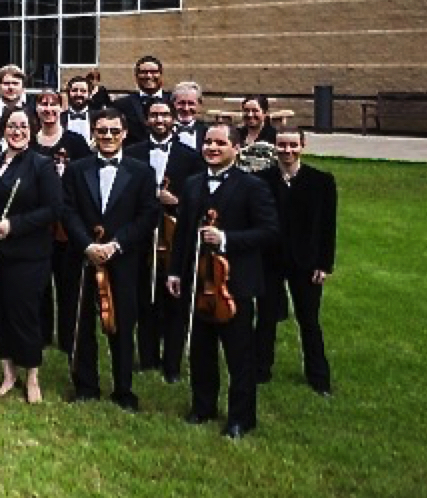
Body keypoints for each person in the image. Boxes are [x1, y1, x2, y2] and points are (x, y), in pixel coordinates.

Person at [170, 124, 279, 439]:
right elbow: (184, 233)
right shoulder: (192, 185)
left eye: (220, 143)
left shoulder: (252, 186)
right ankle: (203, 406)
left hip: (235, 284)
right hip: (198, 281)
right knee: (202, 349)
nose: (212, 148)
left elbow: (269, 231)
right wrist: (176, 271)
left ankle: (241, 418)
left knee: (239, 354)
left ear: (235, 148)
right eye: (208, 142)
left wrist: (226, 239)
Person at [0, 106, 65, 404]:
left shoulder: (41, 166)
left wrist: (15, 225)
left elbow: (53, 209)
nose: (17, 131)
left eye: (23, 126)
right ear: (2, 129)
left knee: (24, 313)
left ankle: (32, 375)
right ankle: (8, 372)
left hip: (27, 254)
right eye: (11, 125)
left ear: (32, 130)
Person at [62, 109, 157, 411]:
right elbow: (67, 211)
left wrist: (117, 244)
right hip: (83, 256)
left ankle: (123, 388)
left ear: (124, 133)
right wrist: (87, 244)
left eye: (114, 131)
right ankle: (86, 385)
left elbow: (148, 215)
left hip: (123, 258)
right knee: (82, 323)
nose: (107, 136)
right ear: (93, 132)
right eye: (101, 131)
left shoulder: (141, 171)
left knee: (124, 323)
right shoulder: (77, 169)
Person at [127, 100, 205, 381]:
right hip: (142, 236)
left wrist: (177, 202)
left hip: (175, 235)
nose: (159, 120)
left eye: (164, 115)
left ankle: (171, 364)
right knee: (144, 297)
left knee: (174, 299)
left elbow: (199, 198)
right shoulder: (133, 153)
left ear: (173, 119)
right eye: (154, 115)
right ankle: (147, 357)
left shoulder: (190, 156)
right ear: (146, 120)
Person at [256, 128, 337, 396]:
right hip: (271, 259)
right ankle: (261, 369)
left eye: (293, 145)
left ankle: (318, 376)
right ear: (274, 147)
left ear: (302, 146)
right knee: (266, 318)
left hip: (306, 262)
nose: (287, 151)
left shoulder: (322, 182)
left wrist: (324, 264)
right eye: (282, 146)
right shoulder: (261, 180)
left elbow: (328, 227)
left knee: (309, 320)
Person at [29, 89, 91, 354]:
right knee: (41, 282)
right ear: (37, 109)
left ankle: (68, 338)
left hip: (67, 222)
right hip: (40, 220)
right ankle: (42, 334)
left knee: (68, 282)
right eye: (43, 105)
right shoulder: (31, 141)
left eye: (54, 105)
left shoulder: (75, 141)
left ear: (62, 109)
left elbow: (85, 177)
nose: (48, 109)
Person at [115, 55, 172, 146]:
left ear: (161, 75)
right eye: (144, 72)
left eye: (154, 72)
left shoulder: (173, 101)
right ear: (136, 76)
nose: (149, 76)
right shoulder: (121, 105)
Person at [0, 65, 30, 148]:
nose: (11, 87)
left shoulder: (32, 112)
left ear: (23, 88)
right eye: (6, 83)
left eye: (15, 83)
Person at [170, 82, 205, 148]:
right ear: (173, 104)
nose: (186, 109)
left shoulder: (206, 133)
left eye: (191, 103)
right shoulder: (162, 131)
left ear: (199, 105)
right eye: (181, 103)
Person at [62, 75, 96, 141]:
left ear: (89, 94)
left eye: (83, 91)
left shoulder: (98, 117)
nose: (78, 94)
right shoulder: (59, 119)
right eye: (74, 90)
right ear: (68, 93)